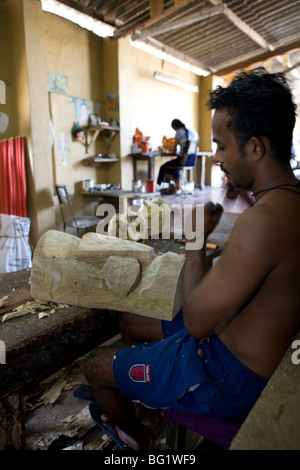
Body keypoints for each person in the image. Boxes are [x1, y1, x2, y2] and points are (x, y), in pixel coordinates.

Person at [84, 68, 300, 450]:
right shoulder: (287, 201)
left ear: (255, 148)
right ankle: (149, 401)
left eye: (221, 145)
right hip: (252, 351)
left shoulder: (263, 221)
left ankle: (140, 443)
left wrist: (194, 240)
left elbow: (199, 322)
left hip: (230, 374)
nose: (215, 158)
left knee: (96, 366)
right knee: (130, 320)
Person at [157, 119, 199, 191]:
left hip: (184, 161)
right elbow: (197, 149)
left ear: (174, 127)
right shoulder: (194, 132)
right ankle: (178, 183)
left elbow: (173, 149)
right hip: (193, 160)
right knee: (176, 167)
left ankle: (176, 182)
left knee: (164, 168)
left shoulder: (179, 133)